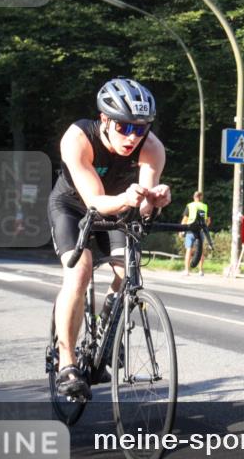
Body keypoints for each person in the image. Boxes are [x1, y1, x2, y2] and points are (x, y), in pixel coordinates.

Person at [47, 77, 171, 401]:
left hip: (119, 205)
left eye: (140, 128)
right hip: (74, 207)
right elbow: (95, 202)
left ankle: (106, 327)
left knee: (126, 269)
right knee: (79, 272)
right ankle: (67, 362)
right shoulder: (78, 139)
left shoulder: (152, 148)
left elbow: (141, 206)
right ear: (105, 119)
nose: (132, 136)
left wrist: (152, 200)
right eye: (124, 127)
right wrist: (132, 200)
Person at [181, 191, 211, 276]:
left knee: (188, 250)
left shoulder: (190, 206)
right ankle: (201, 271)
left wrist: (181, 230)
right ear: (201, 197)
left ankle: (187, 271)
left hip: (190, 230)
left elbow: (185, 219)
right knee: (200, 250)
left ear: (194, 197)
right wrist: (204, 227)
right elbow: (208, 220)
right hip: (200, 231)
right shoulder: (204, 206)